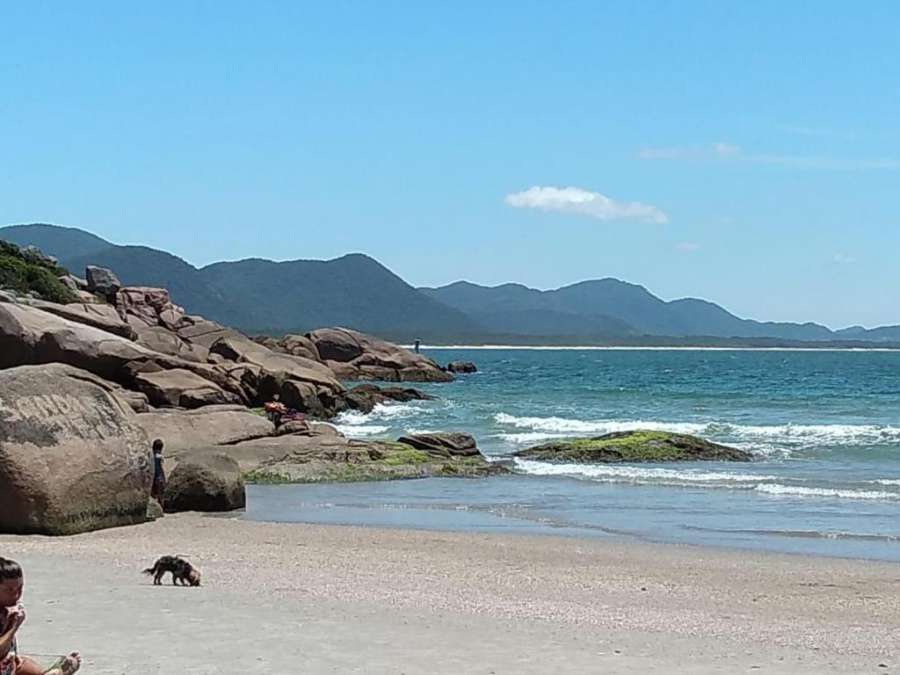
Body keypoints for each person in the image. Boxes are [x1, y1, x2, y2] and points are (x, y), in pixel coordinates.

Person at [0, 557, 81, 675]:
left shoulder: (8, 608)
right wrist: (14, 626)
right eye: (9, 590)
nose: (16, 595)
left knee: (26, 665)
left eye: (20, 588)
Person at [150, 439, 166, 506]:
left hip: (152, 476)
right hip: (159, 477)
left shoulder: (151, 457)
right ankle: (161, 507)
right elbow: (161, 468)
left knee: (153, 494)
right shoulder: (160, 457)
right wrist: (164, 478)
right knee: (160, 494)